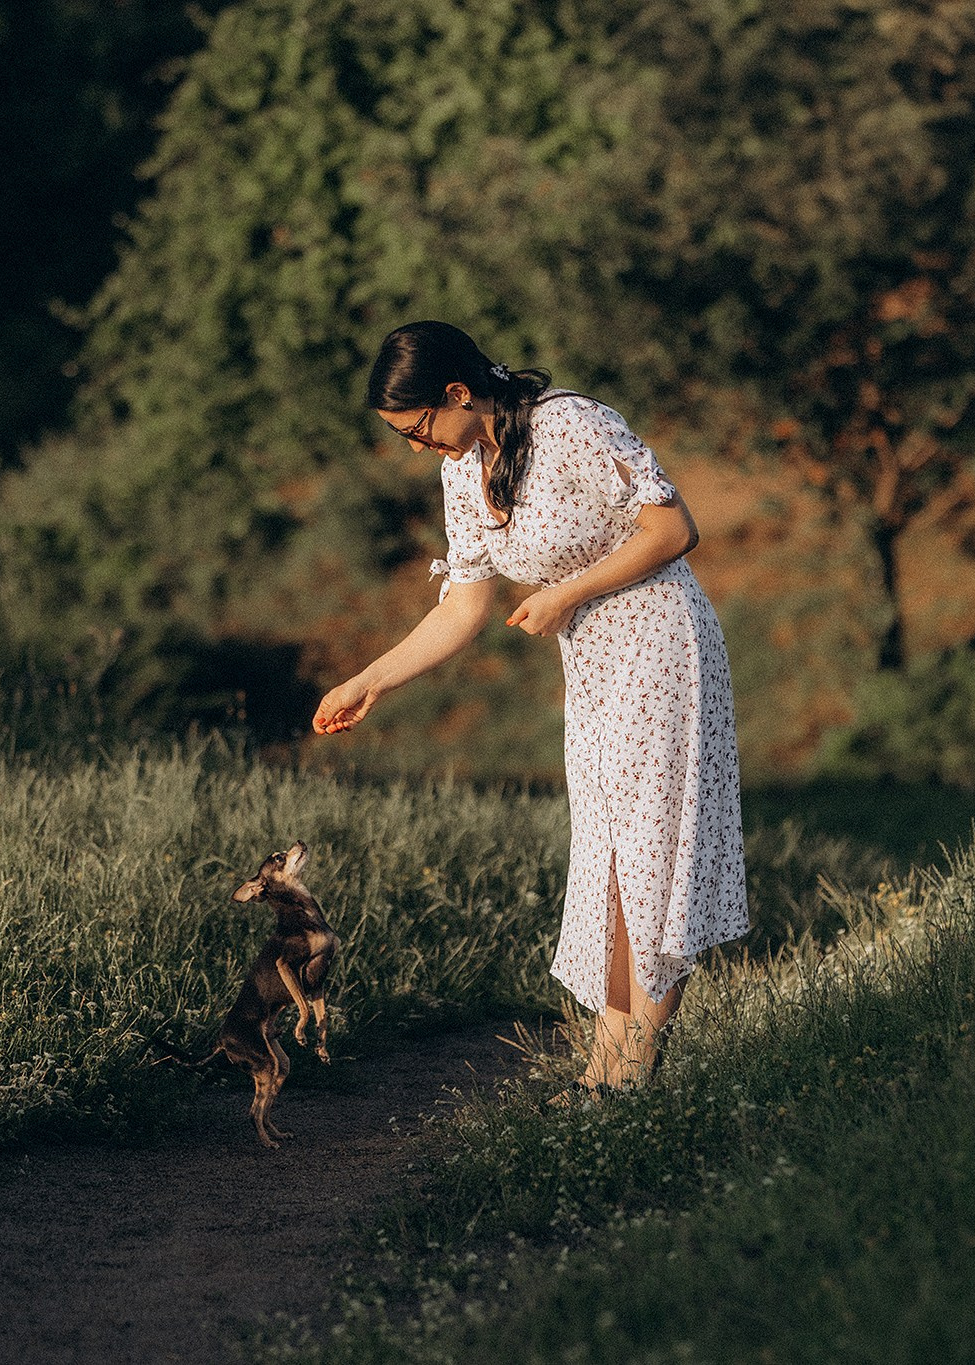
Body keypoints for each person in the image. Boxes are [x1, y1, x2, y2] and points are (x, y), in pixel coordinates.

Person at [312, 320, 749, 1093]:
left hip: (659, 642)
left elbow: (674, 527)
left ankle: (627, 1080)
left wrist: (566, 593)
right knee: (611, 860)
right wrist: (369, 681)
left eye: (418, 428)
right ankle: (604, 1073)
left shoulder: (570, 423)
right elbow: (462, 606)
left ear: (457, 392)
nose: (416, 447)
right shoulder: (462, 470)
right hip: (592, 663)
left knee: (651, 856)